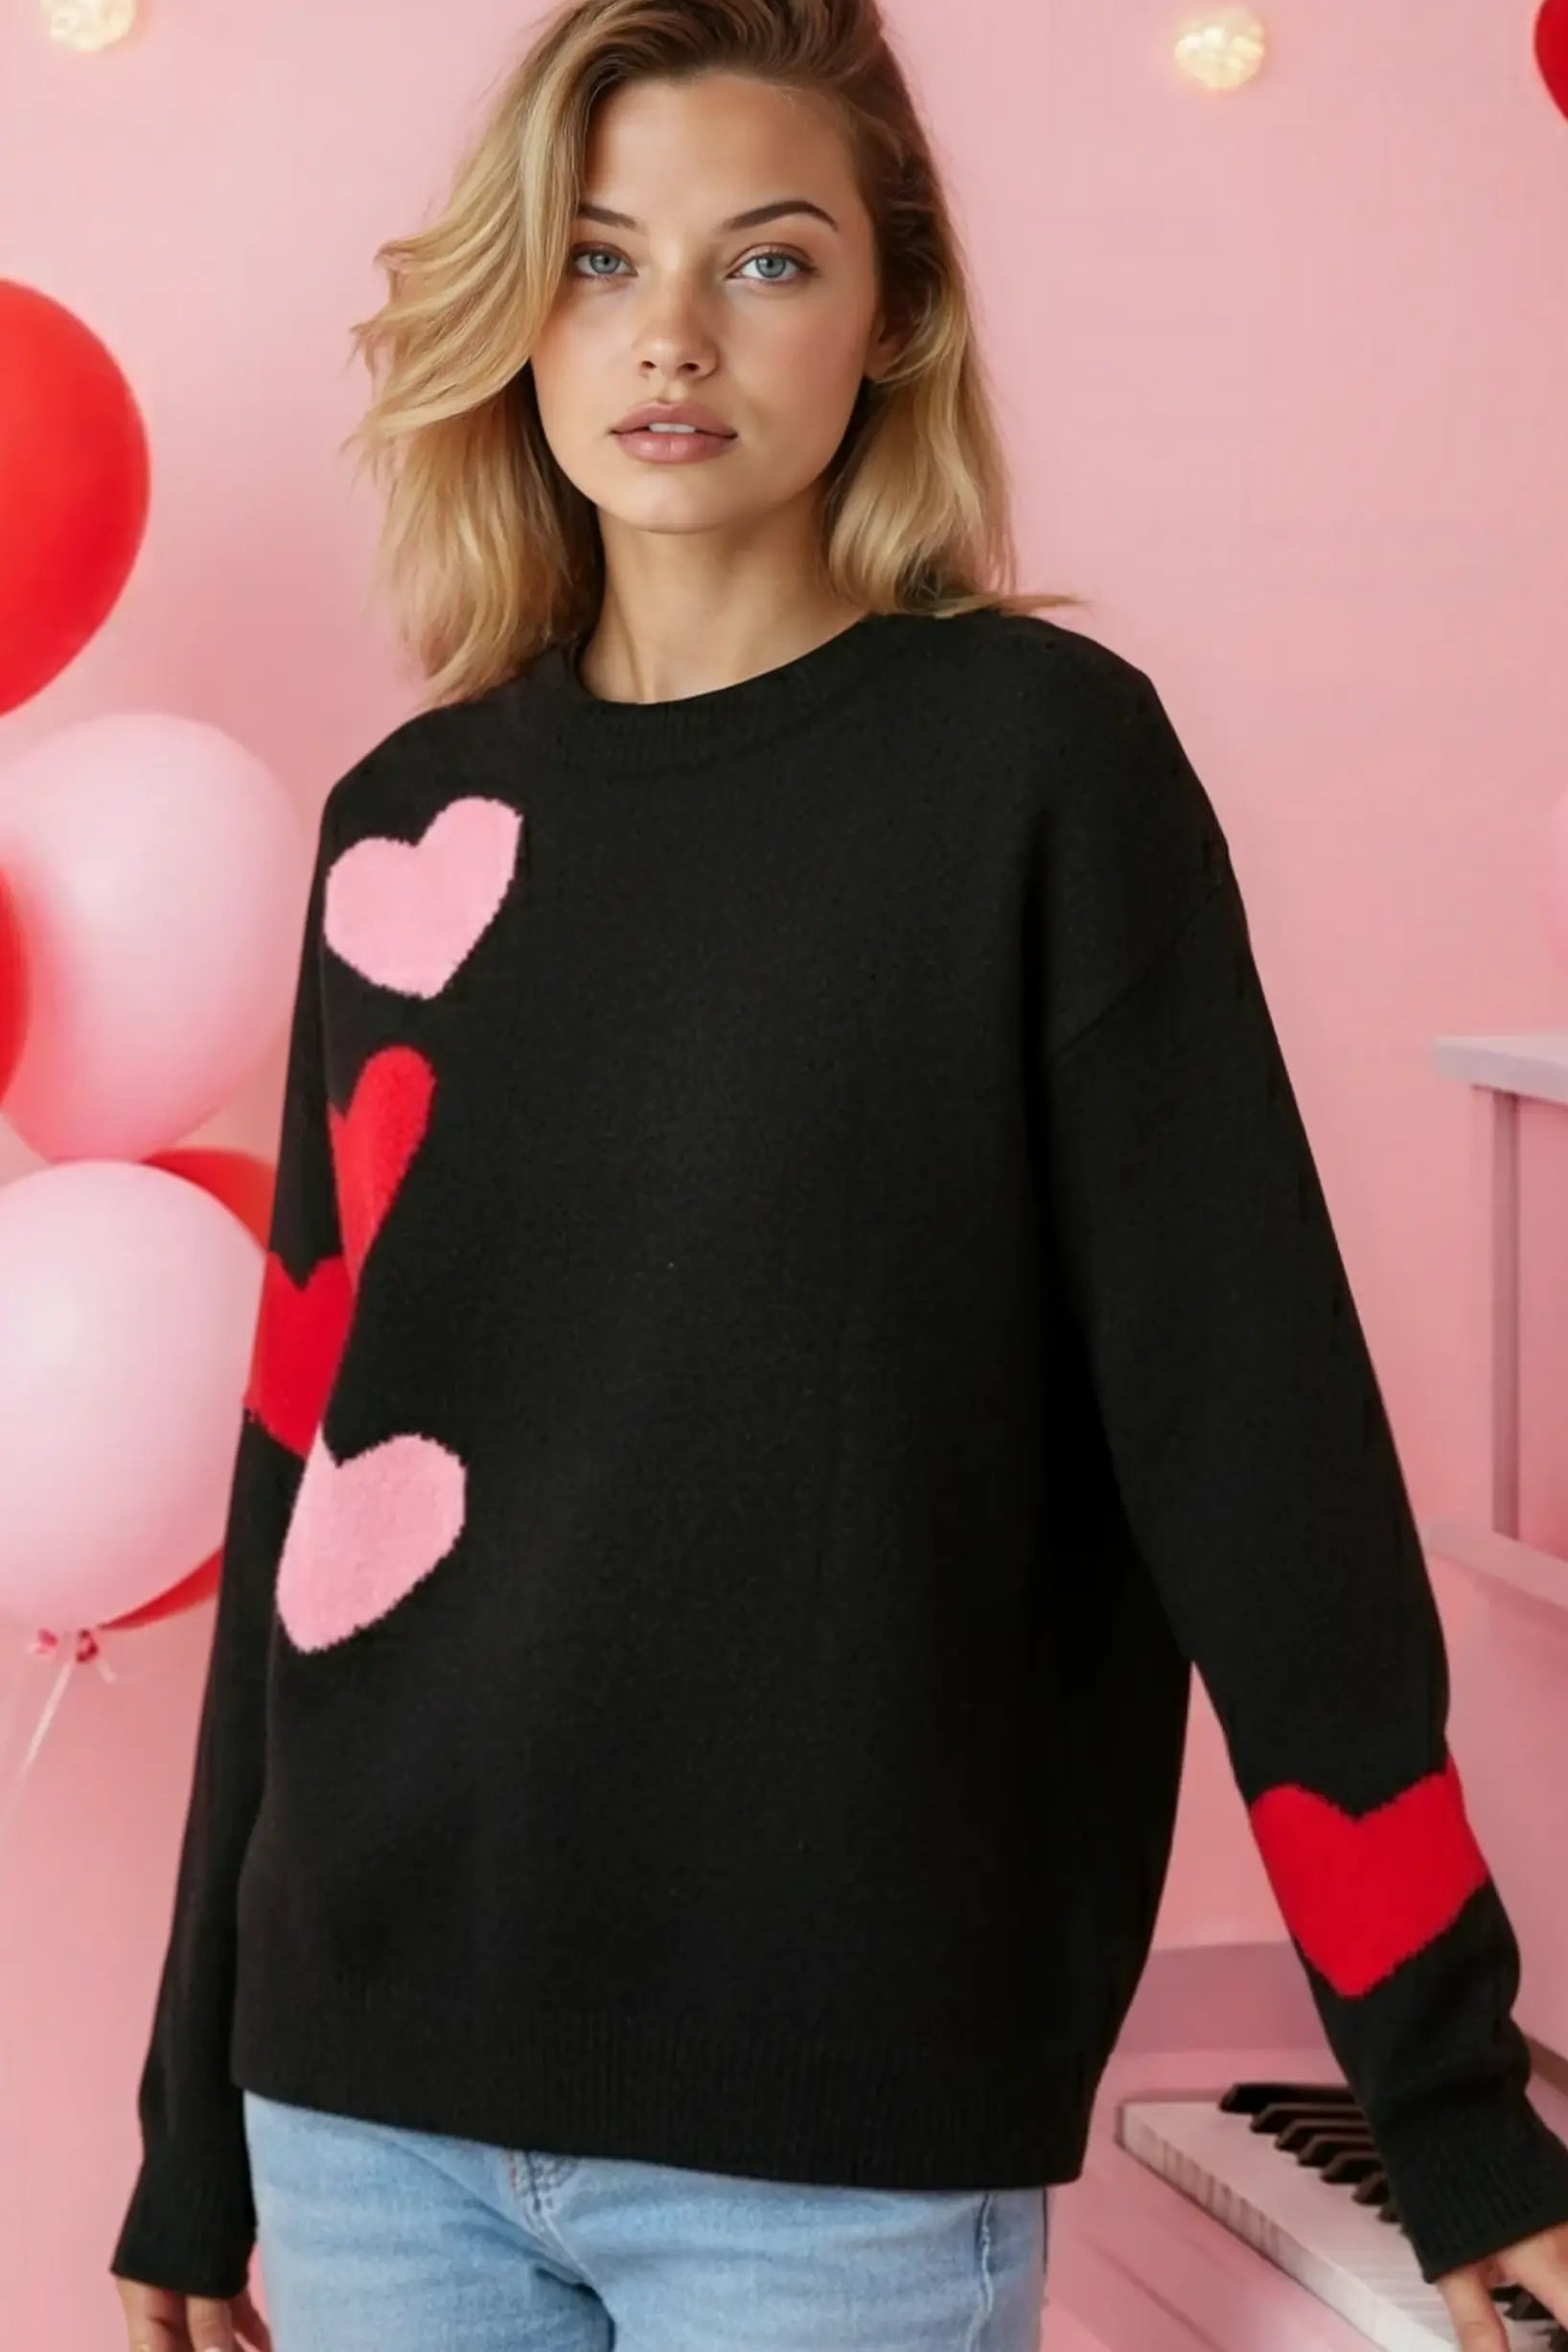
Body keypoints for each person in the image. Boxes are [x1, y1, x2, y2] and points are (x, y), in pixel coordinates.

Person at [111, 2, 1568, 2349]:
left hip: (834, 2139)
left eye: (766, 259)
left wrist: (1449, 2104)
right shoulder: (407, 829)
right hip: (366, 2110)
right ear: (518, 310)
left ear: (890, 315)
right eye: (597, 259)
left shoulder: (1035, 774)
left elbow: (1253, 1451)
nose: (671, 334)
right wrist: (193, 2128)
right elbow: (306, 1485)